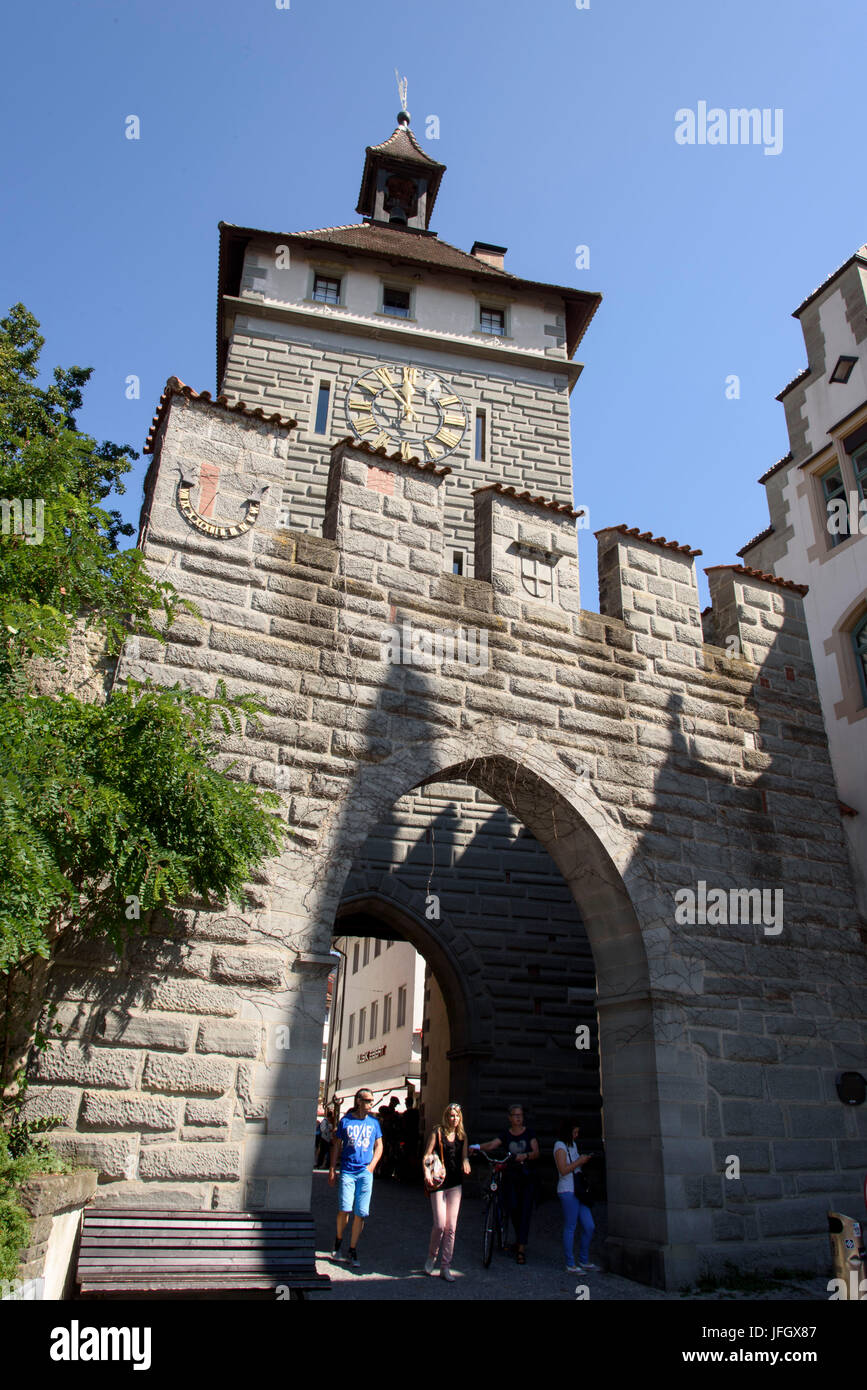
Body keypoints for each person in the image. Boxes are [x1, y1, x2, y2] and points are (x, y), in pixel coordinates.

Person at [475, 1104, 539, 1264]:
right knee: (513, 1209)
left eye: (520, 1115)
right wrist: (475, 1147)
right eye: (515, 1115)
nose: (518, 1117)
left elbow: (536, 1152)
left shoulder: (529, 1133)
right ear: (509, 1117)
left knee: (525, 1211)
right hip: (511, 1178)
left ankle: (521, 1249)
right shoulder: (506, 1135)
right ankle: (519, 1240)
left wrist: (524, 1156)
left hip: (526, 1178)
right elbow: (491, 1145)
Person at [329, 1090, 383, 1269]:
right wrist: (332, 1168)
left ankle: (352, 1248)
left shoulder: (374, 1123)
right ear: (359, 1101)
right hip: (348, 1170)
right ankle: (338, 1241)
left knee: (361, 1212)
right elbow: (336, 1144)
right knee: (344, 1209)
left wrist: (372, 1165)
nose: (371, 1104)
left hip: (365, 1172)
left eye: (372, 1101)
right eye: (368, 1101)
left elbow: (379, 1146)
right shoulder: (346, 1121)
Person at [422, 1103, 471, 1282]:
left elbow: (464, 1155)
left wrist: (466, 1161)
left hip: (455, 1184)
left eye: (457, 1116)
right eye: (451, 1115)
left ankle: (445, 1266)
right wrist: (427, 1172)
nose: (454, 1119)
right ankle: (431, 1257)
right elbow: (427, 1155)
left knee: (451, 1227)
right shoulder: (438, 1132)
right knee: (440, 1224)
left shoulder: (462, 1136)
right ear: (446, 1116)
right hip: (438, 1182)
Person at [553, 1120, 599, 1273]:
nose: (577, 1135)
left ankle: (583, 1259)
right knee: (571, 1226)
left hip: (578, 1189)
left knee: (589, 1225)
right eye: (574, 1132)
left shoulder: (573, 1145)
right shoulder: (560, 1146)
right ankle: (570, 1263)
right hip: (567, 1189)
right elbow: (563, 1170)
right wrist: (580, 1161)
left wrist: (583, 1160)